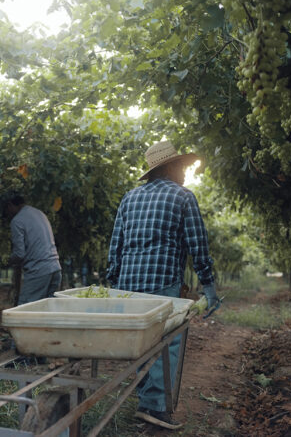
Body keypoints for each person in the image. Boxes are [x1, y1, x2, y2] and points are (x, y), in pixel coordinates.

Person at [107, 140, 219, 430]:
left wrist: (114, 282)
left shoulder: (129, 198)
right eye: (181, 166)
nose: (184, 172)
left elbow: (115, 245)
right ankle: (154, 408)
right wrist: (209, 285)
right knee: (166, 344)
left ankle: (147, 399)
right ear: (169, 168)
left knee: (141, 343)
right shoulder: (183, 197)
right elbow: (198, 244)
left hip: (128, 284)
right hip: (162, 281)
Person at [1, 193, 62, 305]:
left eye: (6, 210)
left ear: (10, 205)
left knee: (25, 310)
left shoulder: (17, 221)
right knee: (45, 310)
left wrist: (5, 262)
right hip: (55, 269)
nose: (7, 214)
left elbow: (19, 254)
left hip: (39, 271)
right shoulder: (39, 213)